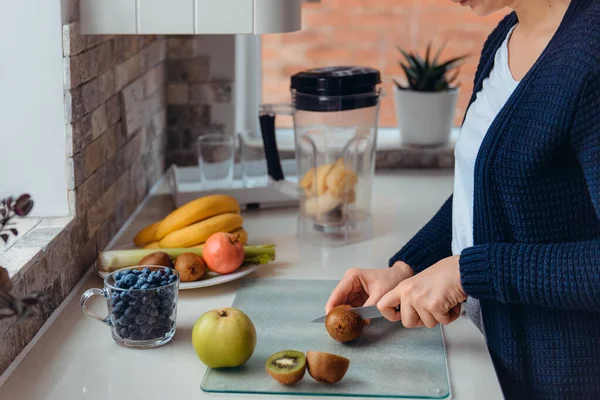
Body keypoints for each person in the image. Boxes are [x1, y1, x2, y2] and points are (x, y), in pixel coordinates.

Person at [325, 0, 600, 398]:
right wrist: (408, 267)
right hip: (491, 359)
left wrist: (469, 272)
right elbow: (488, 192)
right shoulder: (505, 38)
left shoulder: (591, 54)